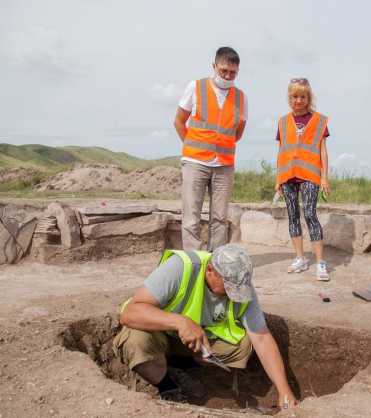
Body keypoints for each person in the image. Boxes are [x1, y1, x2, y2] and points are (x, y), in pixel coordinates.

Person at [113, 244, 298, 408]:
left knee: (242, 346)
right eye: (228, 288)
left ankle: (178, 364)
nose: (232, 295)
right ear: (210, 270)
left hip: (192, 341)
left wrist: (284, 391)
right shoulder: (181, 267)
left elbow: (262, 337)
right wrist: (181, 322)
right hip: (158, 332)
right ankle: (166, 384)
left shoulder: (241, 285)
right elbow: (130, 313)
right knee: (136, 341)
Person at [174, 47, 248, 251]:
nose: (227, 75)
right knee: (191, 217)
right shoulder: (195, 87)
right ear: (214, 66)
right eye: (223, 70)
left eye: (233, 72)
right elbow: (179, 121)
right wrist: (191, 147)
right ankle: (194, 262)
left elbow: (238, 133)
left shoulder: (241, 98)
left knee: (220, 218)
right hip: (195, 163)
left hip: (224, 166)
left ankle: (215, 263)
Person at [275, 78, 331, 281]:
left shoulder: (319, 120)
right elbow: (281, 150)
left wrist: (324, 177)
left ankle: (320, 263)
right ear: (289, 98)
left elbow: (322, 150)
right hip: (288, 174)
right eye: (294, 96)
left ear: (308, 98)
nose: (298, 100)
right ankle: (300, 258)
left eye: (302, 96)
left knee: (309, 213)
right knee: (292, 215)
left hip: (310, 174)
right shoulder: (282, 121)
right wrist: (278, 178)